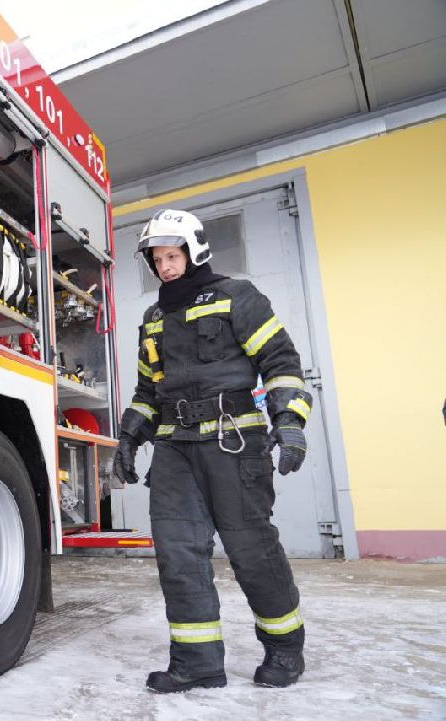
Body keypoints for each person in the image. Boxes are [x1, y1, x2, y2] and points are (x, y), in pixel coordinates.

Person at [114, 209, 312, 693]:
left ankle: (285, 650)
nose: (164, 266)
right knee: (178, 556)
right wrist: (130, 436)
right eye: (157, 259)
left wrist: (289, 423)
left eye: (172, 255)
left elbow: (281, 362)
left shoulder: (237, 297)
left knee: (252, 551)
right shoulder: (154, 319)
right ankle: (197, 663)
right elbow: (148, 390)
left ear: (193, 251)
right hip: (175, 450)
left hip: (233, 442)